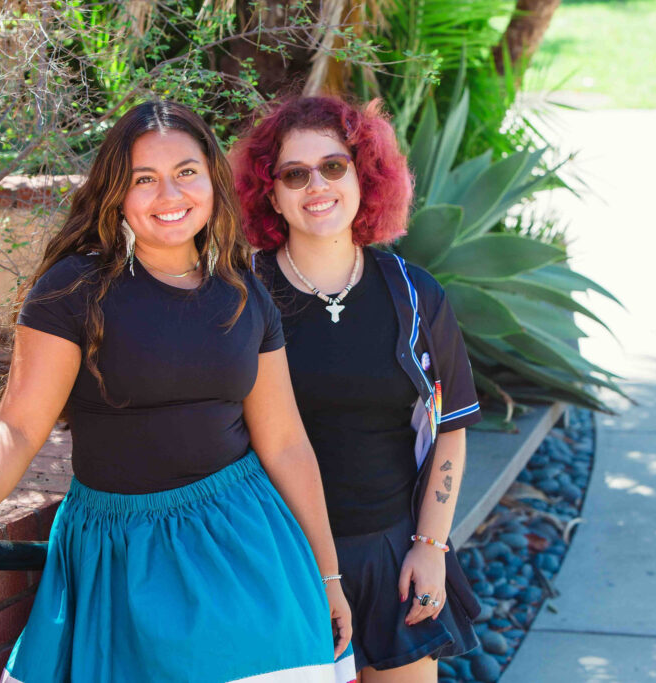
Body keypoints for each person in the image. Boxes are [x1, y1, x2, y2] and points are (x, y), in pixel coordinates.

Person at [0, 100, 353, 682]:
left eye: (186, 173)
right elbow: (20, 425)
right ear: (116, 193)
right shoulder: (73, 290)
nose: (170, 195)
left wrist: (327, 576)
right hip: (119, 553)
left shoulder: (244, 294)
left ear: (212, 181)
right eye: (144, 180)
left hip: (246, 546)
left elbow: (284, 443)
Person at [230, 96, 483, 682]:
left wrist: (430, 547)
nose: (316, 185)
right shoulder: (239, 297)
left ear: (366, 176)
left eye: (334, 166)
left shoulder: (417, 297)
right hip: (280, 560)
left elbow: (450, 429)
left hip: (392, 556)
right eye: (294, 174)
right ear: (270, 193)